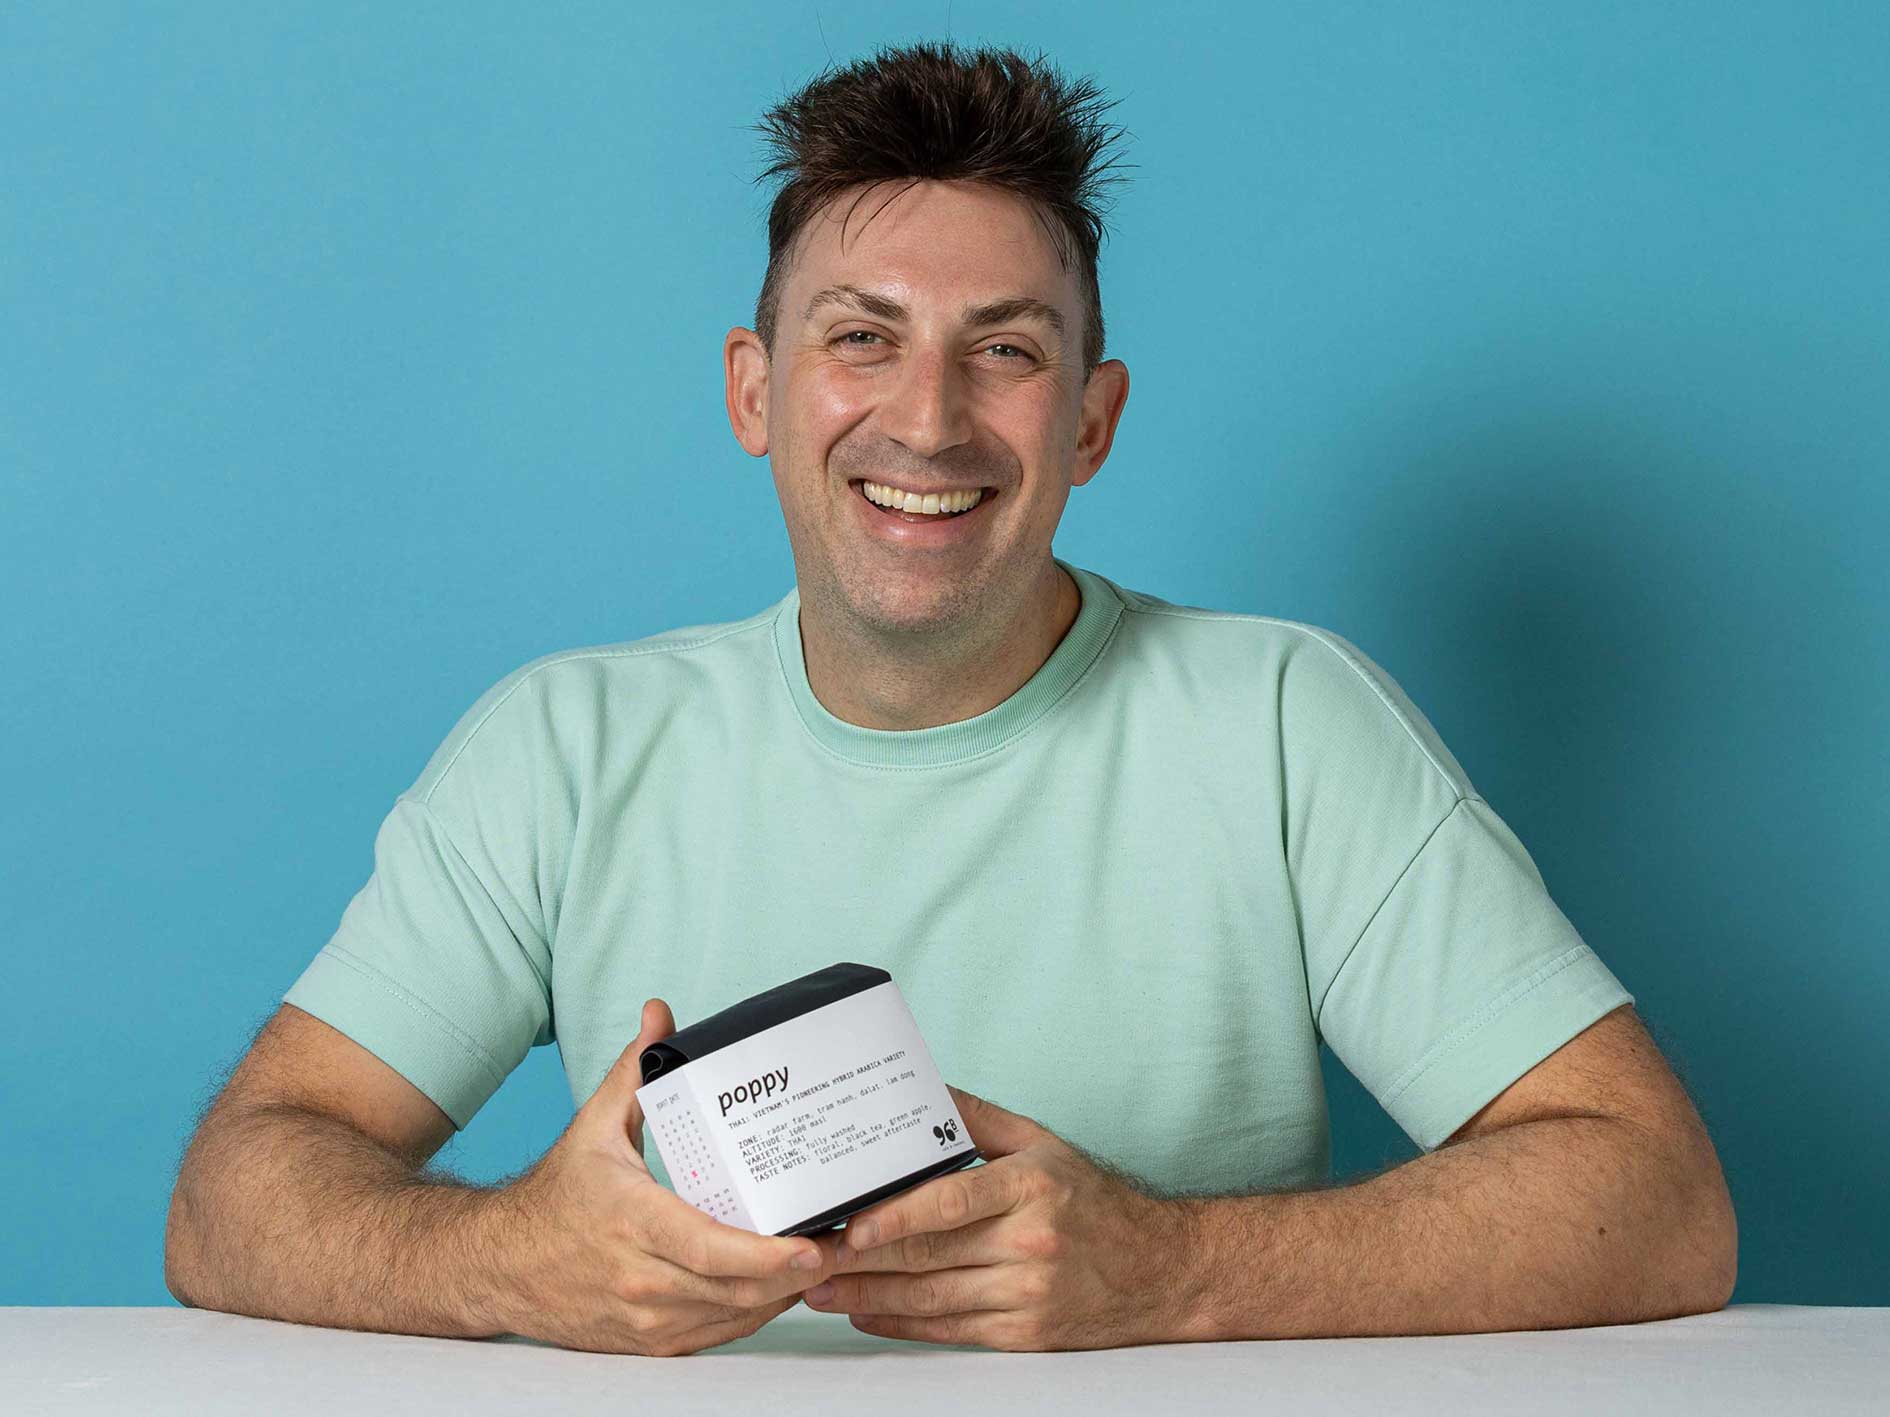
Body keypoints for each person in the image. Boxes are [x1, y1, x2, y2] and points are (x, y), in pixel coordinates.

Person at [165, 39, 1736, 1358]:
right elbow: (231, 1192)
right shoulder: (561, 747)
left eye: (1004, 351)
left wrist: (1172, 1271)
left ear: (1090, 421)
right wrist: (507, 1258)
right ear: (755, 390)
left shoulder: (1282, 723)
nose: (927, 421)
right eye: (862, 338)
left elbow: (1661, 1203)